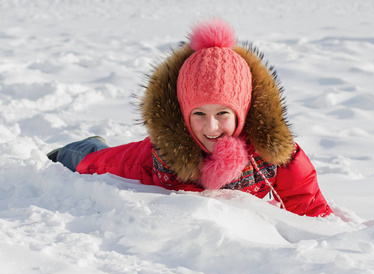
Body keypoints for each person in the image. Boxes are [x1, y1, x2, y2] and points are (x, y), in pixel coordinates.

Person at [47, 18, 332, 217]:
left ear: (242, 112)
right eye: (198, 114)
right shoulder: (163, 154)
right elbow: (105, 165)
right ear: (184, 114)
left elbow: (309, 207)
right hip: (104, 158)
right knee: (94, 159)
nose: (211, 127)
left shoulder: (276, 155)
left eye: (222, 113)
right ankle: (83, 145)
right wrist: (72, 156)